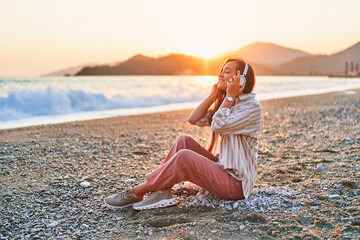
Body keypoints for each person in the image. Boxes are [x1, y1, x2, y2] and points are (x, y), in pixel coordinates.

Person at [104, 58, 262, 210]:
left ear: (241, 79)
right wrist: (213, 95)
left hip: (236, 184)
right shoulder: (229, 104)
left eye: (227, 71)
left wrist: (229, 95)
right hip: (221, 167)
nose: (220, 74)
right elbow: (193, 119)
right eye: (221, 71)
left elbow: (218, 125)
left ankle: (137, 192)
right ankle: (162, 191)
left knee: (184, 157)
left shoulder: (251, 108)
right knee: (183, 141)